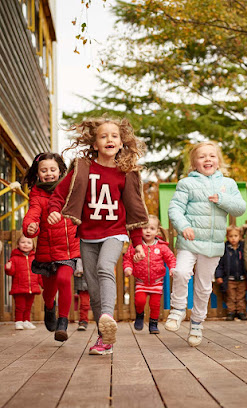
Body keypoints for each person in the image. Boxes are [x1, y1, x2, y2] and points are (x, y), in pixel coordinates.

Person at [48, 116, 148, 355]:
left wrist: (137, 244)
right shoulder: (83, 168)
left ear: (122, 142)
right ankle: (105, 339)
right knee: (93, 290)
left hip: (115, 232)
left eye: (114, 136)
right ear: (95, 144)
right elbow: (60, 194)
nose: (109, 139)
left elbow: (134, 210)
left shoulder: (127, 173)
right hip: (88, 236)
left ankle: (106, 314)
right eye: (103, 136)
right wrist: (53, 210)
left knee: (105, 267)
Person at [165, 141, 246, 347]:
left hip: (213, 244)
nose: (207, 159)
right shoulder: (187, 184)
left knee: (203, 287)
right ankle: (177, 309)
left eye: (211, 156)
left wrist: (222, 199)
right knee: (182, 272)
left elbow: (239, 208)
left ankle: (197, 323)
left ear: (218, 161)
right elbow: (174, 208)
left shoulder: (228, 184)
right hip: (189, 240)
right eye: (202, 157)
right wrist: (183, 226)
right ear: (194, 164)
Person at [22, 152, 80, 341]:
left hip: (69, 248)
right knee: (49, 290)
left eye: (52, 169)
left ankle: (63, 322)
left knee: (64, 280)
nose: (49, 173)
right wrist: (30, 227)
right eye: (44, 170)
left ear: (60, 170)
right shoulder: (37, 195)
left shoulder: (70, 190)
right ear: (38, 173)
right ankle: (49, 307)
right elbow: (33, 214)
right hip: (48, 250)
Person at [123, 214, 176, 334]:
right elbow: (128, 259)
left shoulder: (161, 247)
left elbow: (171, 258)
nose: (148, 231)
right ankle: (140, 316)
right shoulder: (136, 246)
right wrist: (128, 268)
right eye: (145, 228)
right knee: (140, 301)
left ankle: (153, 323)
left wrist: (172, 268)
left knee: (155, 304)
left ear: (157, 231)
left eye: (151, 228)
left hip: (157, 281)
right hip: (141, 281)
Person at [5, 235, 42, 330]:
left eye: (29, 242)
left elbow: (39, 273)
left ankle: (26, 321)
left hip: (32, 287)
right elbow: (11, 272)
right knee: (20, 306)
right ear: (18, 244)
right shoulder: (14, 258)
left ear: (33, 245)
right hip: (19, 287)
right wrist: (8, 268)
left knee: (28, 306)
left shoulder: (35, 259)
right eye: (23, 242)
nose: (26, 244)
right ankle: (18, 321)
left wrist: (43, 284)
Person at [215, 225, 247, 321]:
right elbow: (220, 264)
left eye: (236, 236)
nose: (233, 238)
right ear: (227, 237)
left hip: (242, 277)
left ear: (240, 237)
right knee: (230, 296)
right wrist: (219, 276)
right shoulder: (225, 249)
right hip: (229, 278)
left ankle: (241, 312)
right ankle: (231, 312)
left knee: (241, 297)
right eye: (231, 236)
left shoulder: (243, 248)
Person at [73, 258, 90, 331]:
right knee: (84, 303)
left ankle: (102, 320)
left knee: (99, 301)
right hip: (82, 280)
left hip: (95, 278)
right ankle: (83, 320)